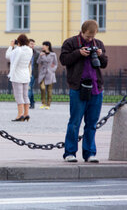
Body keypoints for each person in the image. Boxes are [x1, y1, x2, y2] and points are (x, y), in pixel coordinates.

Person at [60, 20, 108, 163]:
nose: (90, 39)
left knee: (92, 123)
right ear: (82, 31)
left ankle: (90, 153)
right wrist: (78, 53)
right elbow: (63, 60)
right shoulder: (70, 42)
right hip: (78, 88)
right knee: (74, 122)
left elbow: (104, 64)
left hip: (96, 88)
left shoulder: (98, 44)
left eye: (92, 37)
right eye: (87, 37)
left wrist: (100, 55)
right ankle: (70, 153)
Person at [5, 34, 33, 122]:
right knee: (25, 95)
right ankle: (26, 114)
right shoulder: (29, 50)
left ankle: (20, 115)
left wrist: (11, 46)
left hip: (17, 75)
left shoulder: (18, 50)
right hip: (26, 74)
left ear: (19, 41)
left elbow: (8, 56)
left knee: (18, 95)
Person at [37, 41, 58, 110]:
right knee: (42, 88)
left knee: (49, 90)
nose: (42, 47)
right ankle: (43, 103)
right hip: (42, 73)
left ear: (47, 46)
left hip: (50, 73)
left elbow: (55, 64)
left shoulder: (53, 54)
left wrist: (52, 70)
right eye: (42, 45)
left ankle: (48, 104)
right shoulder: (41, 54)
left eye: (44, 45)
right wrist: (40, 56)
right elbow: (38, 62)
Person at [28, 39, 39, 109]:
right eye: (31, 43)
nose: (32, 45)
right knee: (30, 89)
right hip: (26, 73)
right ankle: (32, 102)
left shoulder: (36, 53)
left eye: (33, 44)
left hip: (32, 74)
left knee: (29, 88)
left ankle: (28, 103)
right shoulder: (25, 52)